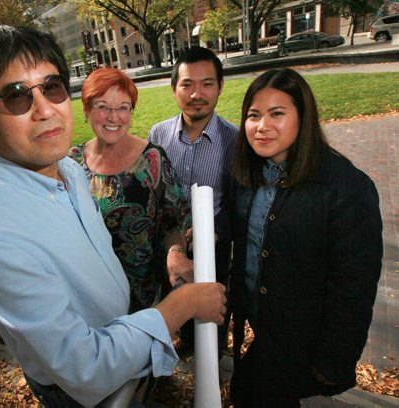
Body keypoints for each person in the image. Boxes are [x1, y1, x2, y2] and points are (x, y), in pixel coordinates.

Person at [0, 25, 227, 408]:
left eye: (51, 87)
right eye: (16, 96)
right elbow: (86, 366)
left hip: (133, 335)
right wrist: (182, 305)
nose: (45, 109)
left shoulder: (66, 170)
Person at [224, 68, 382, 407]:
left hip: (304, 341)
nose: (262, 125)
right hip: (264, 330)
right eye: (253, 115)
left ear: (303, 117)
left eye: (277, 113)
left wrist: (333, 362)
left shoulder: (345, 188)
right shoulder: (247, 175)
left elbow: (354, 287)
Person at [68, 68, 192, 313]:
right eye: (103, 106)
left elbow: (175, 224)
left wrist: (176, 253)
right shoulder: (72, 162)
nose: (114, 117)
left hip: (146, 297)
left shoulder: (152, 159)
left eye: (123, 107)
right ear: (86, 110)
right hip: (92, 296)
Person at [148, 46, 238, 352]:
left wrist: (214, 230)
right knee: (174, 305)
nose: (196, 93)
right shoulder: (158, 136)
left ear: (220, 86)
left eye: (207, 84)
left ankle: (210, 360)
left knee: (211, 320)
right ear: (174, 88)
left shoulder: (235, 141)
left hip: (213, 245)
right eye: (187, 84)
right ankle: (180, 348)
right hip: (169, 244)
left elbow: (239, 203)